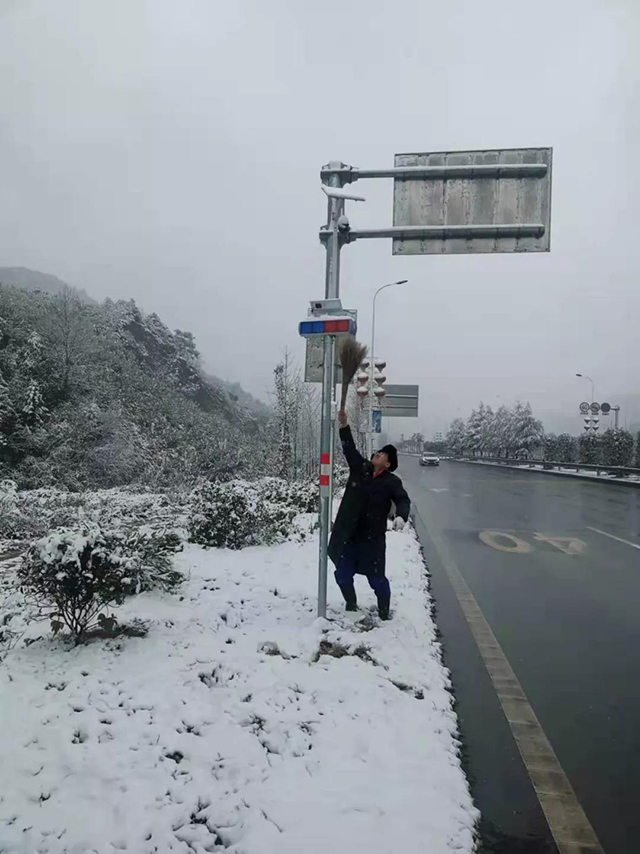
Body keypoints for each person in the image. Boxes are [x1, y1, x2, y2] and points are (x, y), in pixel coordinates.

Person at [328, 409, 411, 620]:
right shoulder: (361, 468)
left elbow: (403, 500)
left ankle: (384, 612)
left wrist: (401, 516)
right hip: (350, 537)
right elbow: (349, 448)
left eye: (382, 454)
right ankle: (351, 603)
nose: (377, 454)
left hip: (372, 541)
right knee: (342, 574)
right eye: (378, 452)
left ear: (388, 464)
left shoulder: (392, 482)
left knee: (377, 581)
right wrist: (344, 425)